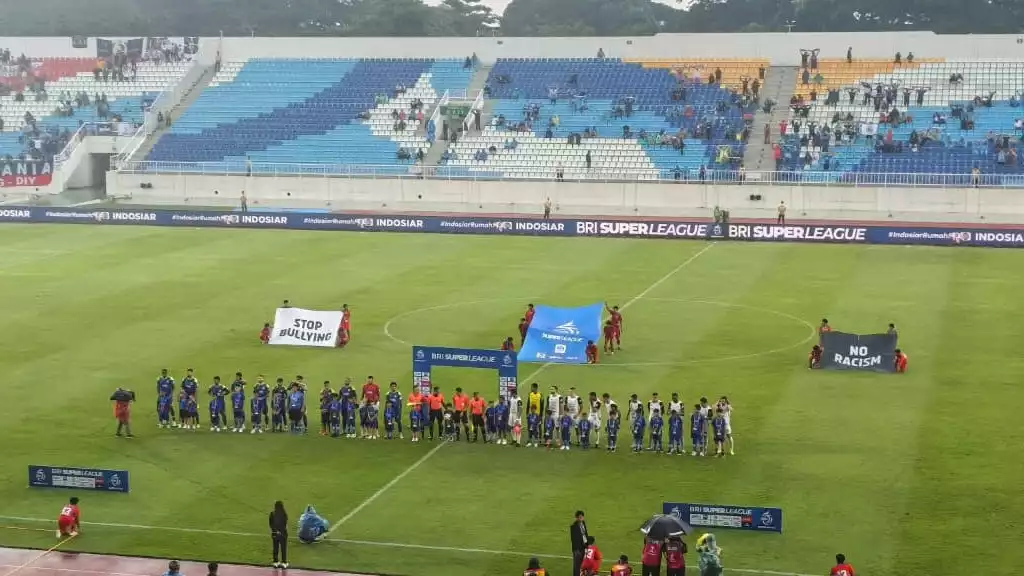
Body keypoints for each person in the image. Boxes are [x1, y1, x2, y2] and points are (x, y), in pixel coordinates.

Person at [269, 501, 288, 568]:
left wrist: (275, 530)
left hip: (275, 534)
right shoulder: (284, 514)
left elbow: (271, 524)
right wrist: (280, 531)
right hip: (283, 534)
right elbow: (285, 524)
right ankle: (284, 562)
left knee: (275, 548)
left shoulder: (272, 513)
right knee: (283, 548)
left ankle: (275, 562)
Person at [569, 510, 589, 576]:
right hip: (577, 548)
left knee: (583, 563)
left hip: (584, 546)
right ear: (576, 518)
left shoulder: (583, 523)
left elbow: (585, 534)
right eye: (579, 517)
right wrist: (576, 550)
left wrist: (587, 544)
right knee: (577, 565)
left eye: (582, 517)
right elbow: (574, 539)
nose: (581, 518)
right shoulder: (573, 526)